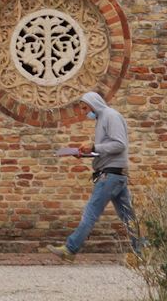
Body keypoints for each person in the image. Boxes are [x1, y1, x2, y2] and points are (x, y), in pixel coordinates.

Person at [56, 91, 145, 262]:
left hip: (110, 175)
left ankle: (70, 249)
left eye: (85, 107)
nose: (84, 112)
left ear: (93, 103)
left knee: (91, 212)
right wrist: (87, 153)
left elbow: (119, 145)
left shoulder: (110, 116)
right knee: (129, 217)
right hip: (115, 174)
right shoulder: (102, 118)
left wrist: (94, 146)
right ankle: (144, 250)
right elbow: (107, 148)